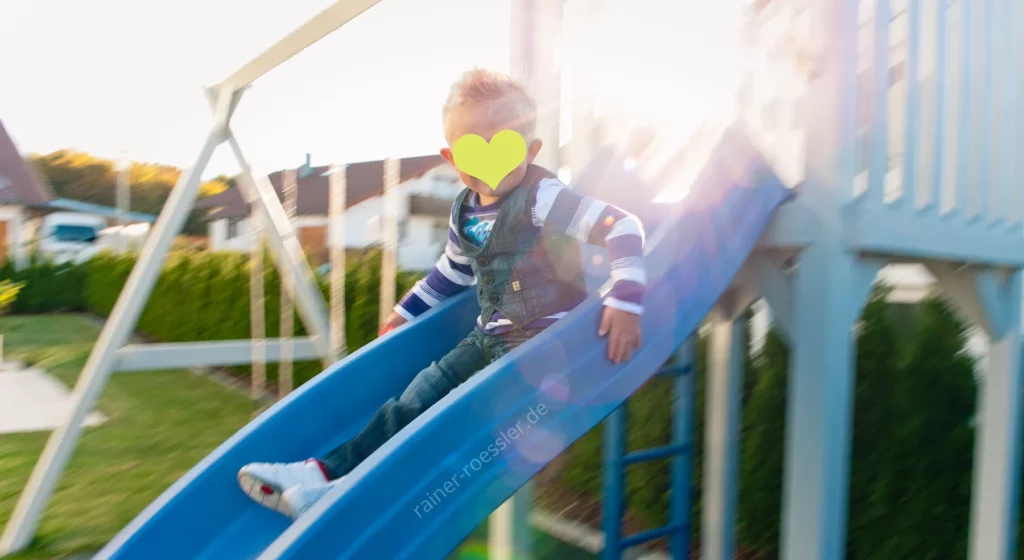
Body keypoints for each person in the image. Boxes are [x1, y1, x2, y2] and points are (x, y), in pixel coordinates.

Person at [236, 69, 647, 519]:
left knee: (448, 420)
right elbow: (451, 273)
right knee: (420, 393)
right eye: (474, 149)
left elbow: (622, 226)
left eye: (505, 146)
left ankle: (345, 494)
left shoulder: (543, 196)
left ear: (530, 151)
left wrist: (624, 298)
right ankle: (323, 472)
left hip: (545, 348)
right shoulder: (464, 211)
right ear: (451, 156)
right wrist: (405, 313)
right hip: (489, 337)